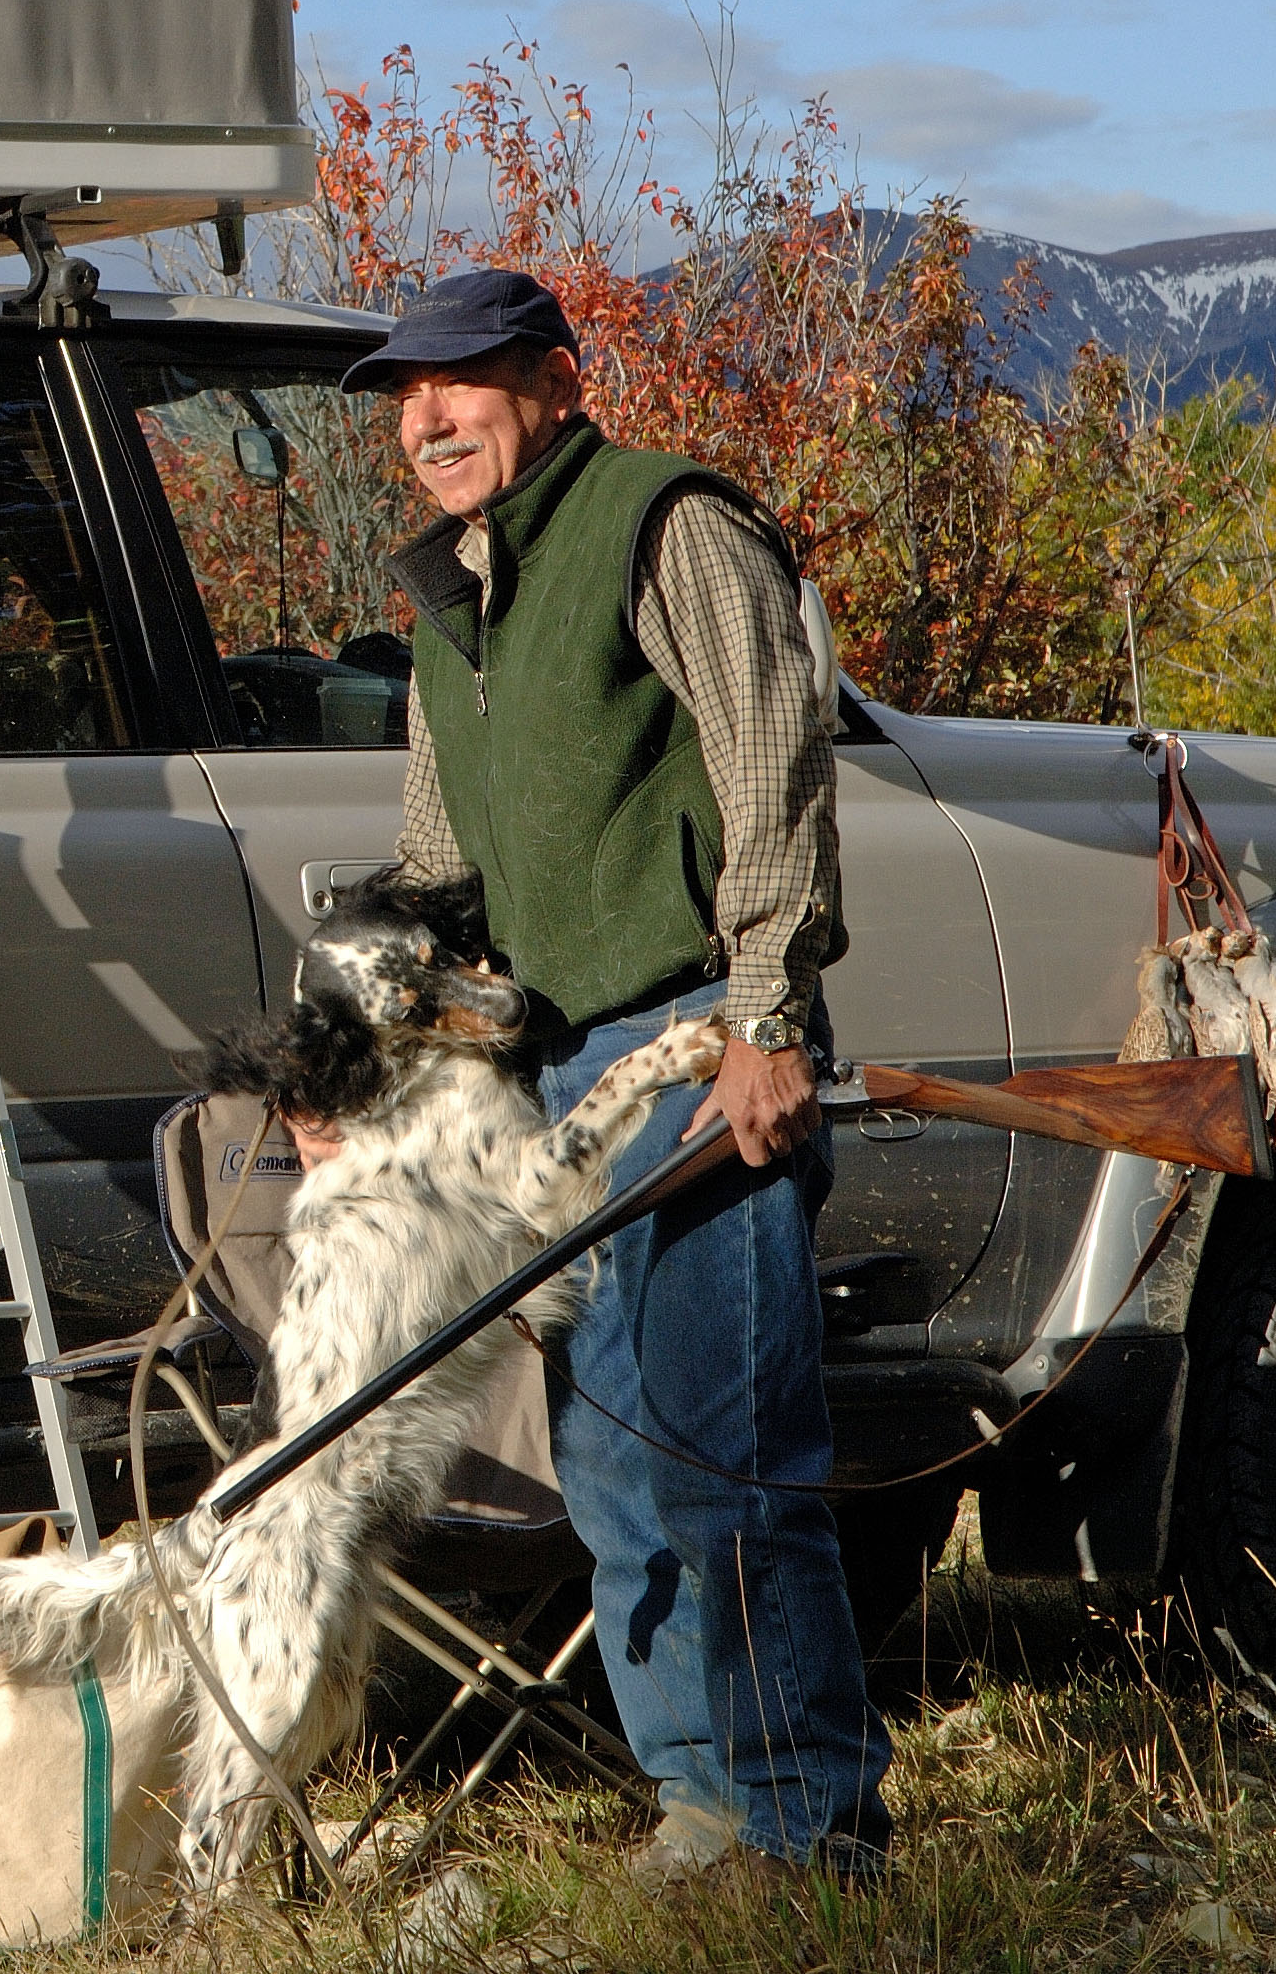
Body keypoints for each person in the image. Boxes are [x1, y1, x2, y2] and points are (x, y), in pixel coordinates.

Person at [342, 265, 890, 1888]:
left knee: (726, 1456)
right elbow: (441, 867)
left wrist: (769, 1019)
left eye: (461, 383)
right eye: (407, 397)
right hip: (561, 1076)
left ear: (557, 385)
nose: (428, 419)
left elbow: (775, 767)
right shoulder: (454, 592)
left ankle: (807, 1833)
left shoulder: (668, 524)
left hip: (700, 1036)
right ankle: (702, 1803)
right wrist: (371, 1054)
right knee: (611, 1468)